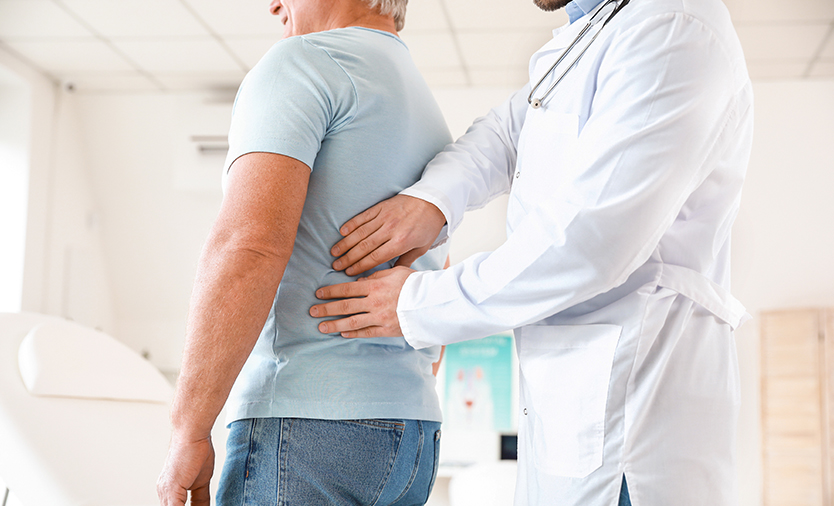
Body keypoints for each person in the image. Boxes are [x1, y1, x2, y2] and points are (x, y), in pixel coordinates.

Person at [309, 0, 754, 504]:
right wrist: (430, 200)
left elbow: (592, 243)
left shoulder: (673, 25)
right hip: (569, 409)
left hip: (637, 414)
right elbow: (508, 131)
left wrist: (416, 304)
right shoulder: (590, 32)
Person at [156, 0, 453, 504]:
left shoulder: (303, 62)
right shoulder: (421, 101)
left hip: (308, 427)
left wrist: (189, 429)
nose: (273, 5)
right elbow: (435, 267)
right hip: (412, 435)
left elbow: (248, 246)